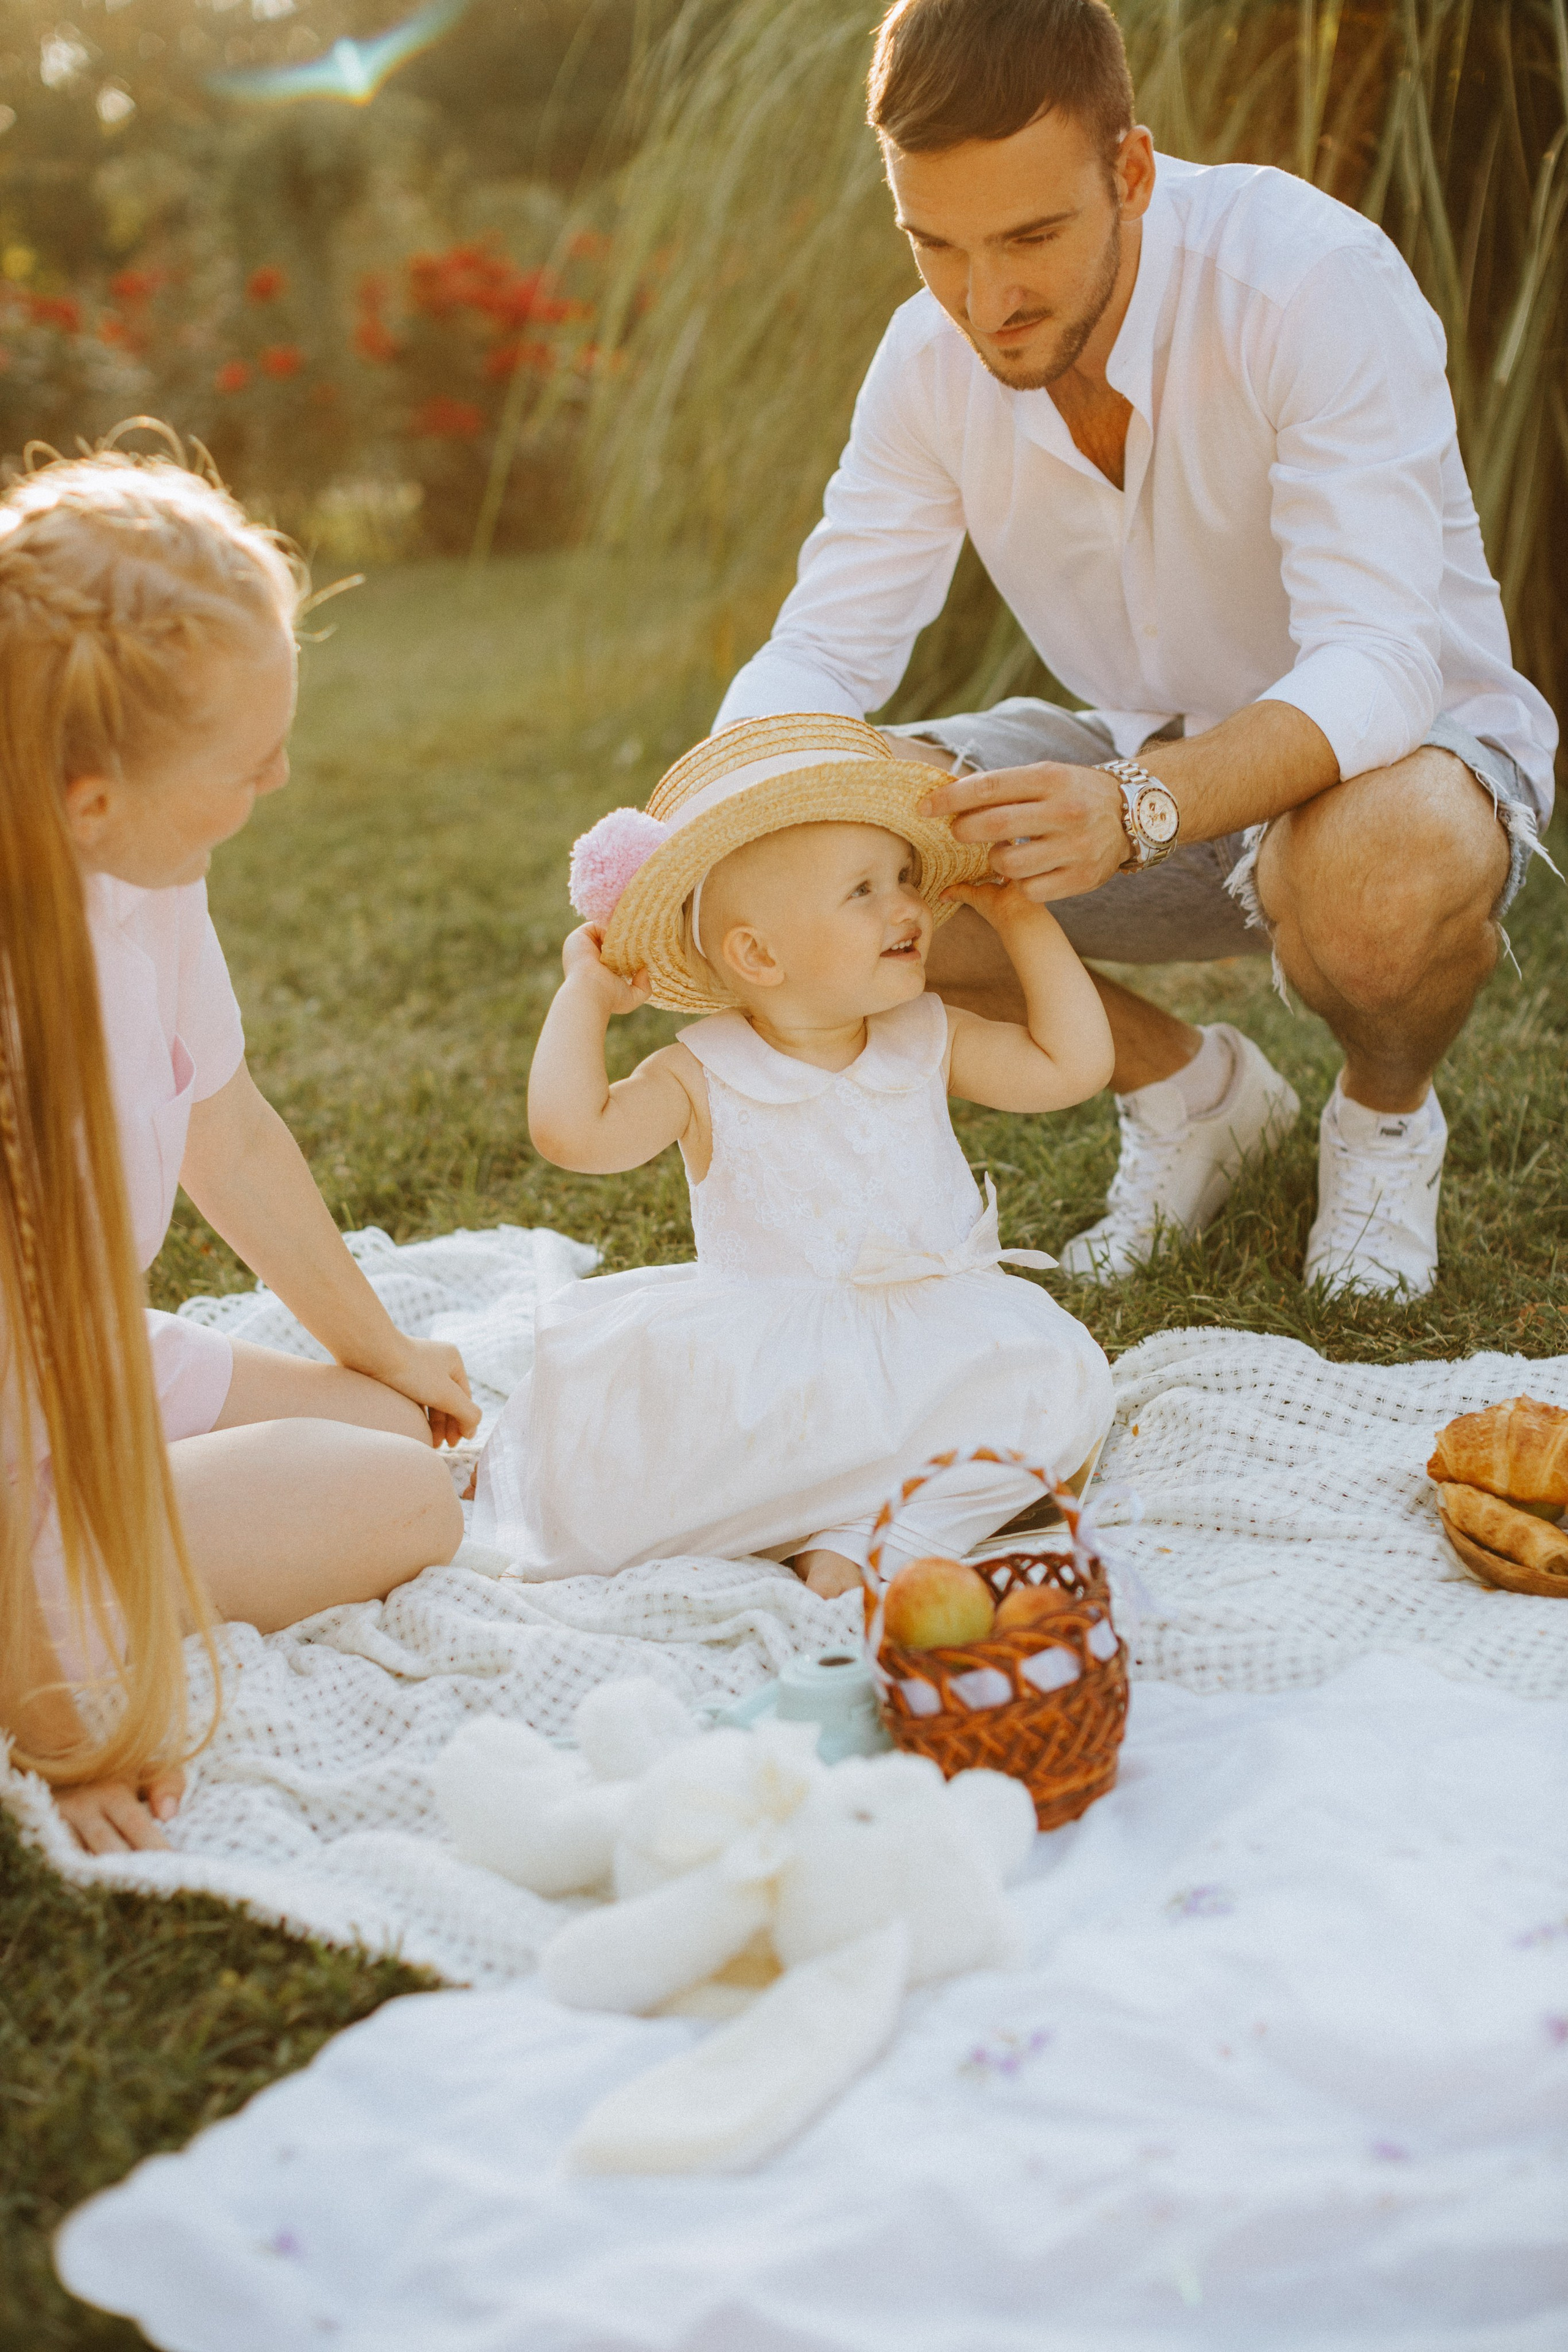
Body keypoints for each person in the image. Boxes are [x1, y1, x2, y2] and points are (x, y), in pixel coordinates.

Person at [715, 0, 1559, 1298]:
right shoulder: (922, 364)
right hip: (1130, 762)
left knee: (1377, 870)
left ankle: (1382, 1117)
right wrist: (719, 815)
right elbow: (820, 652)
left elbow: (1380, 662)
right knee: (827, 841)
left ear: (1131, 170)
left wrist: (1140, 807)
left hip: (1398, 773)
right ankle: (1189, 1092)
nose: (982, 301)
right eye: (932, 245)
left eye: (1029, 238)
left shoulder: (1305, 281)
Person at [0, 439, 480, 1860]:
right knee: (409, 1504)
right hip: (20, 1433)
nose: (279, 771)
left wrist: (382, 1352)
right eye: (246, 760)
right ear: (93, 798)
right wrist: (63, 1729)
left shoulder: (139, 878)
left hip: (90, 1363)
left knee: (397, 1432)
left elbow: (232, 1133)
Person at [475, 712, 1115, 1596]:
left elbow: (1073, 1065)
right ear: (758, 955)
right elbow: (571, 1133)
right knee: (666, 1460)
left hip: (939, 1344)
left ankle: (861, 1535)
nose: (909, 906)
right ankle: (858, 1523)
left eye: (903, 877)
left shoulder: (925, 1036)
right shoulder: (703, 1074)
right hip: (777, 1378)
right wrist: (584, 997)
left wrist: (1019, 917)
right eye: (863, 891)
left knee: (1054, 1390)